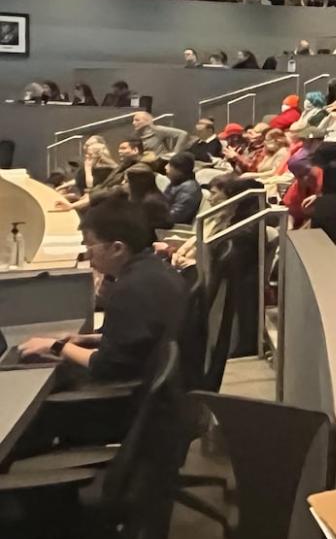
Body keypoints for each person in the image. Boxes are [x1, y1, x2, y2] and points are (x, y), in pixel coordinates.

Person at [19, 199, 189, 383]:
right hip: (159, 384)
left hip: (128, 398)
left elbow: (107, 367)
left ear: (117, 248)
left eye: (90, 247)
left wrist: (57, 347)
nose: (88, 257)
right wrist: (88, 340)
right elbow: (141, 339)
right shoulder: (154, 268)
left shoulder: (130, 289)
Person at [163, 151, 203, 224]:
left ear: (179, 170)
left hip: (173, 228)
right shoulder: (176, 183)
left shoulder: (190, 189)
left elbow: (176, 216)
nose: (165, 167)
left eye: (170, 165)